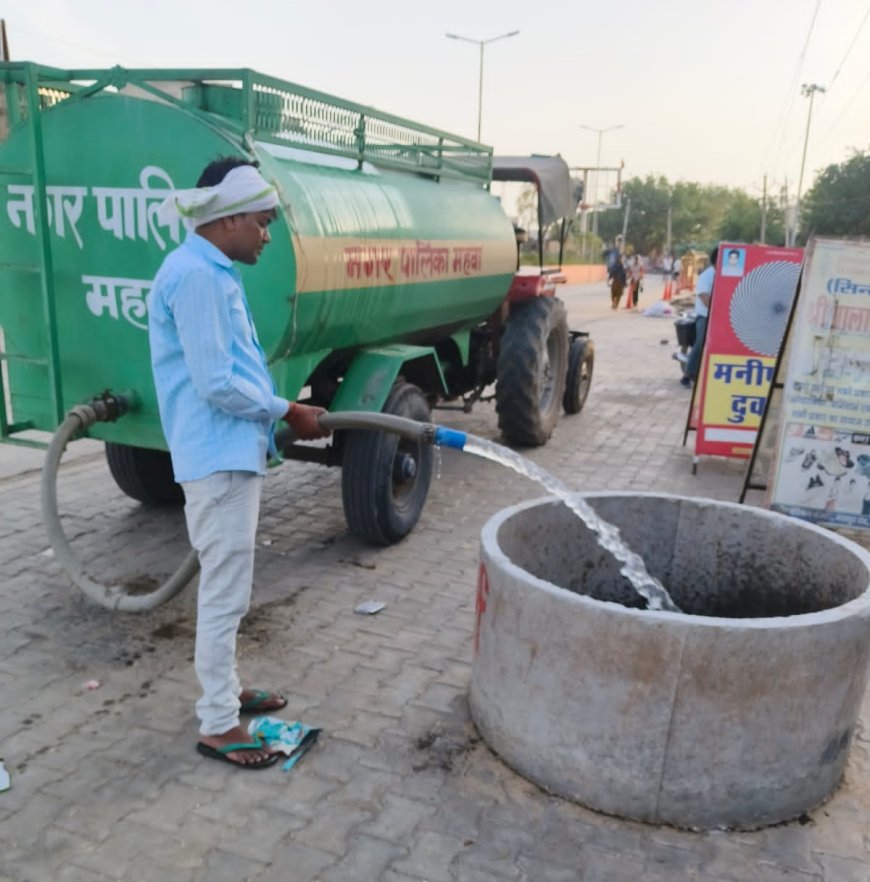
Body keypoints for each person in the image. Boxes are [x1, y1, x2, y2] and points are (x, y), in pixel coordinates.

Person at [148, 157, 331, 769]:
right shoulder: (198, 277)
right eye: (262, 221)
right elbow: (217, 383)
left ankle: (226, 692)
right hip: (217, 460)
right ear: (227, 220)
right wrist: (287, 410)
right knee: (225, 593)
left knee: (231, 588)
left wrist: (277, 422)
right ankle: (219, 723)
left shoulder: (209, 269)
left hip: (229, 454)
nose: (267, 234)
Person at [681, 246, 718, 388]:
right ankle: (686, 375)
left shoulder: (724, 275)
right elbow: (704, 297)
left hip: (718, 317)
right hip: (705, 316)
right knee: (700, 343)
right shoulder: (707, 276)